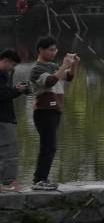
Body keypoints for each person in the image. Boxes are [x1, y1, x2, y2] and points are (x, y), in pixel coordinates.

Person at [22, 38, 78, 191]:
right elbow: (50, 81)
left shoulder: (53, 65)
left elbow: (69, 77)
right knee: (49, 146)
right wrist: (65, 65)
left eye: (55, 50)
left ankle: (41, 179)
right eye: (51, 50)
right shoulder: (37, 69)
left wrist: (73, 65)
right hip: (44, 111)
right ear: (41, 50)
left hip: (55, 110)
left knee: (49, 146)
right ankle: (39, 179)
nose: (54, 52)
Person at [0, 49, 28, 192]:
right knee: (9, 150)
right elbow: (2, 95)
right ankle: (8, 183)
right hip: (3, 119)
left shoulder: (5, 75)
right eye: (12, 65)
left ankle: (6, 183)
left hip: (5, 118)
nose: (13, 68)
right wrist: (17, 91)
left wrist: (14, 89)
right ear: (5, 60)